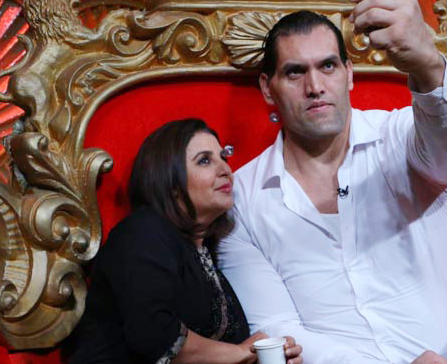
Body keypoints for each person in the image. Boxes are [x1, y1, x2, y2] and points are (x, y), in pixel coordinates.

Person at [217, 0, 447, 364]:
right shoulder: (242, 199)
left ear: (349, 74)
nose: (315, 87)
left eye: (328, 66)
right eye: (295, 72)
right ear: (268, 89)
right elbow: (276, 328)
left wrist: (426, 63)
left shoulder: (402, 137)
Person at [70, 119, 303, 364]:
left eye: (223, 157)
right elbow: (155, 335)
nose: (225, 169)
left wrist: (265, 355)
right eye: (205, 161)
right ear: (170, 182)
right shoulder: (142, 232)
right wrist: (241, 353)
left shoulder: (206, 249)